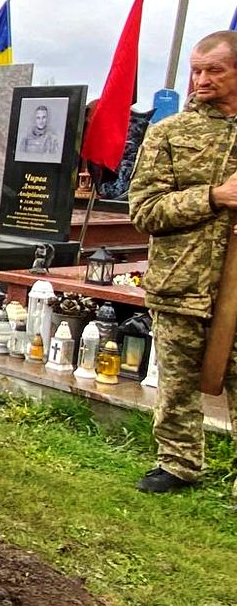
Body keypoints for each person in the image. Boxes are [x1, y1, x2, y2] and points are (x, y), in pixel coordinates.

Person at [129, 30, 237, 499]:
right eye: (196, 69)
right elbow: (144, 210)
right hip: (182, 279)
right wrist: (214, 198)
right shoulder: (169, 132)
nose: (201, 79)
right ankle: (178, 462)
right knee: (176, 382)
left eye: (214, 69)